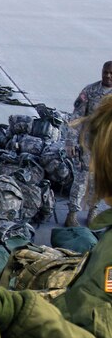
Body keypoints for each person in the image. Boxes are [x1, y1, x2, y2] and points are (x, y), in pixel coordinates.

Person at [64, 60, 112, 227]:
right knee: (82, 178)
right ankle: (72, 213)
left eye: (111, 73)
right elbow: (76, 117)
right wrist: (70, 141)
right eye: (105, 72)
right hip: (88, 143)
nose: (108, 75)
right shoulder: (90, 91)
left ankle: (93, 211)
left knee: (100, 179)